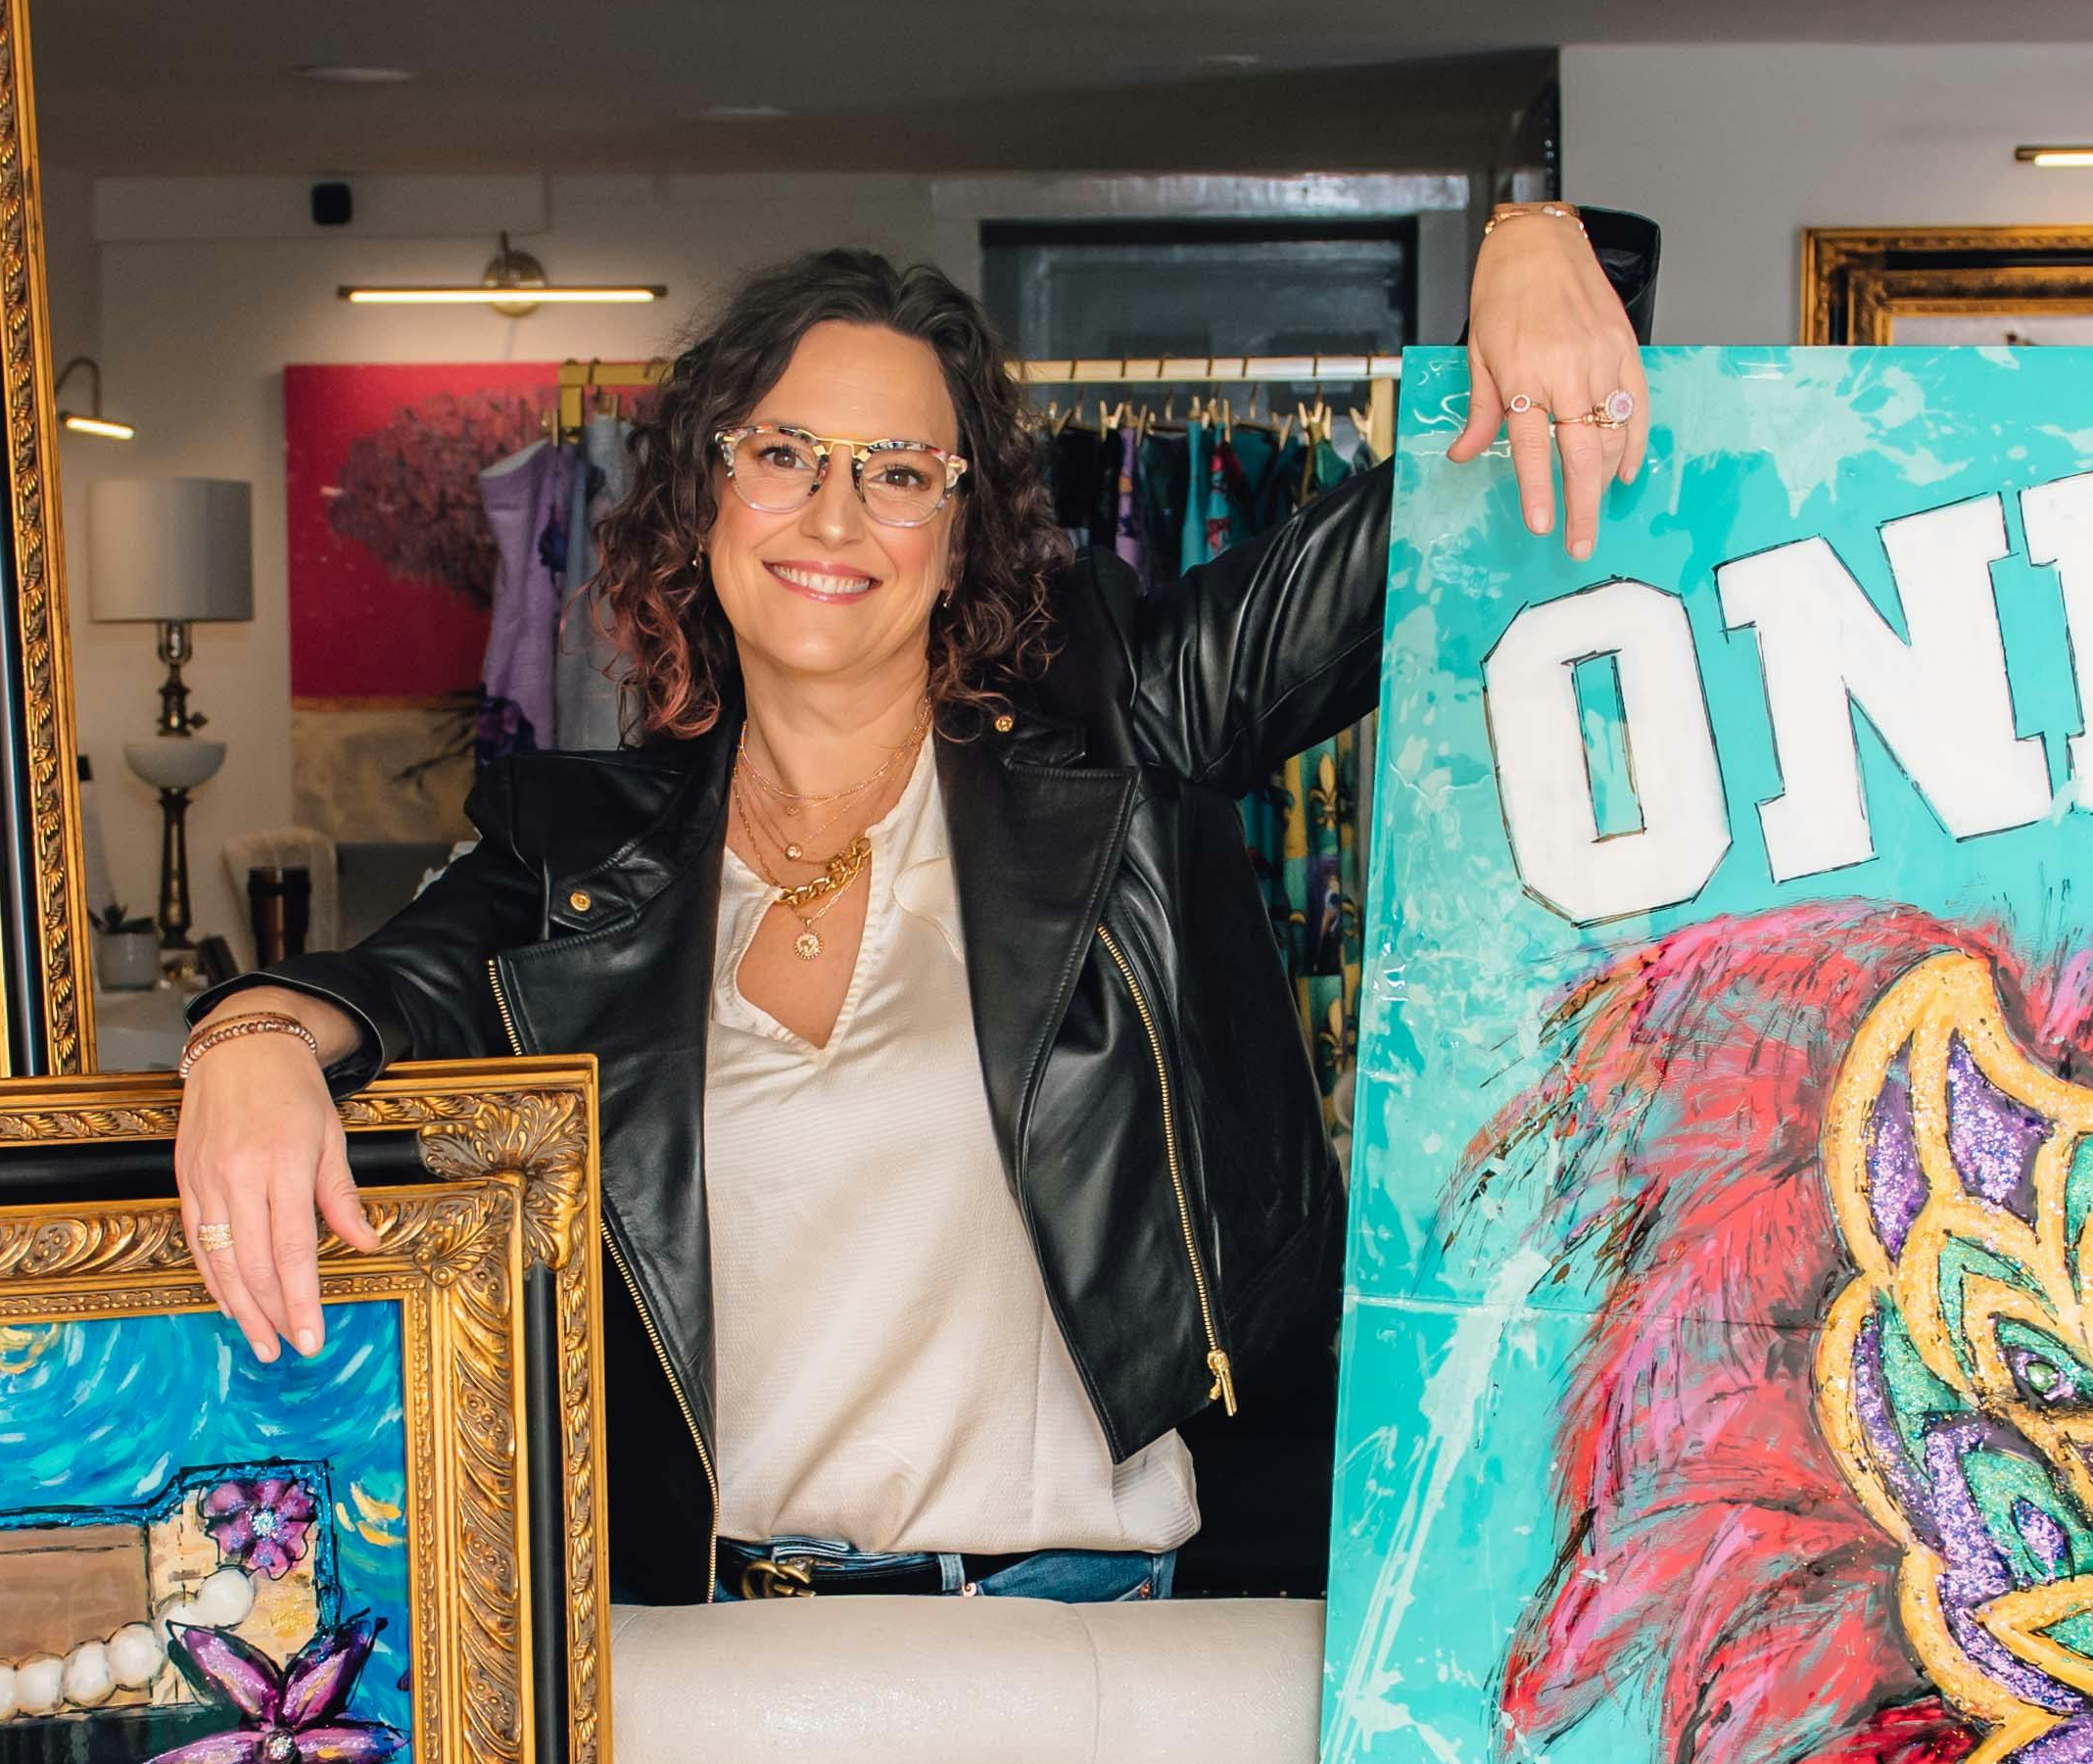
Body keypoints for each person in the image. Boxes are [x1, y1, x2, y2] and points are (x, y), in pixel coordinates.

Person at [167, 206, 1645, 1598]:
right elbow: (380, 989)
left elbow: (1430, 530)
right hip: (712, 1674)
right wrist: (247, 1046)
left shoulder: (1126, 733)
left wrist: (1540, 244)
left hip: (1092, 1649)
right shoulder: (579, 854)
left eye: (896, 470)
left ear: (961, 532)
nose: (833, 514)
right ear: (703, 499)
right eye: (784, 455)